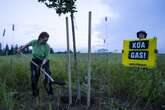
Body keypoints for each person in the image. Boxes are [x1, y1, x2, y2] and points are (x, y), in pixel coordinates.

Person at [17, 32, 53, 98]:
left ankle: (50, 92)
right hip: (34, 61)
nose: (46, 41)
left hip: (44, 62)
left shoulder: (47, 46)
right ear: (40, 38)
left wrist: (42, 65)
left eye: (47, 40)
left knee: (47, 76)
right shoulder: (34, 42)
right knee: (34, 77)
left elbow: (46, 57)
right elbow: (26, 45)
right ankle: (35, 93)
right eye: (45, 40)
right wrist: (20, 49)